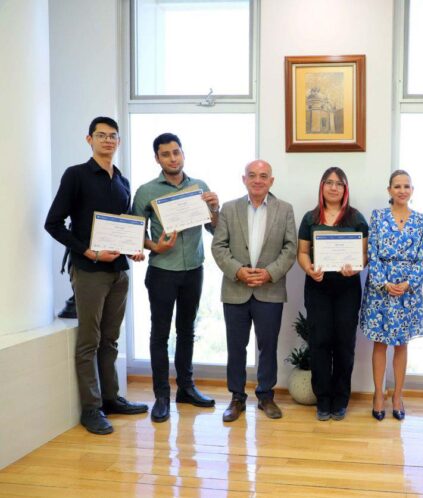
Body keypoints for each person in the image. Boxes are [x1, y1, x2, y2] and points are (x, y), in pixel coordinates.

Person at [44, 117, 148, 435]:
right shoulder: (75, 175)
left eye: (112, 136)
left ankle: (111, 399)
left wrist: (133, 247)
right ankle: (91, 410)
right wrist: (86, 251)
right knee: (89, 342)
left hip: (118, 271)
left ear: (118, 141)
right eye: (101, 135)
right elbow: (54, 223)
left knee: (111, 340)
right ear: (89, 139)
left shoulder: (123, 181)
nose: (107, 141)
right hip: (89, 270)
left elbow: (123, 226)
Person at [132, 133, 220, 423]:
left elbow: (214, 230)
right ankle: (161, 396)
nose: (173, 158)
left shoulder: (199, 187)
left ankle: (186, 388)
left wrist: (215, 210)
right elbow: (135, 235)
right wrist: (155, 246)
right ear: (157, 158)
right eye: (166, 154)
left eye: (176, 152)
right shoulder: (146, 192)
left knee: (187, 331)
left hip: (194, 269)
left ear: (183, 154)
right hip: (162, 272)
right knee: (159, 334)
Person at [211, 160, 297, 422]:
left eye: (263, 176)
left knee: (267, 346)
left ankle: (266, 396)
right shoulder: (229, 208)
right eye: (252, 175)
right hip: (236, 289)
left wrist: (270, 272)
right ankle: (237, 397)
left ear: (271, 181)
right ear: (244, 179)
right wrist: (237, 270)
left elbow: (290, 248)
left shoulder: (285, 209)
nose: (257, 180)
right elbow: (219, 247)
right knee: (236, 347)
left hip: (269, 290)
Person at [297, 167, 369, 421]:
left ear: (345, 188)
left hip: (347, 289)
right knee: (319, 343)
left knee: (344, 345)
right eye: (329, 182)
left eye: (339, 183)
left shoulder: (356, 218)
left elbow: (363, 254)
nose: (334, 187)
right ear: (322, 186)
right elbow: (303, 253)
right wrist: (309, 268)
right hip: (317, 287)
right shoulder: (310, 218)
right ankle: (323, 399)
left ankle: (340, 400)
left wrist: (356, 267)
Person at [360, 170, 423, 421]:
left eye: (406, 186)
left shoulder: (422, 220)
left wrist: (408, 283)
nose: (402, 190)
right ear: (389, 190)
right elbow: (373, 253)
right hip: (381, 289)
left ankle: (398, 395)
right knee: (380, 342)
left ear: (412, 190)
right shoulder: (377, 217)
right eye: (397, 186)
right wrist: (384, 283)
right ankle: (378, 394)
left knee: (401, 343)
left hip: (408, 291)